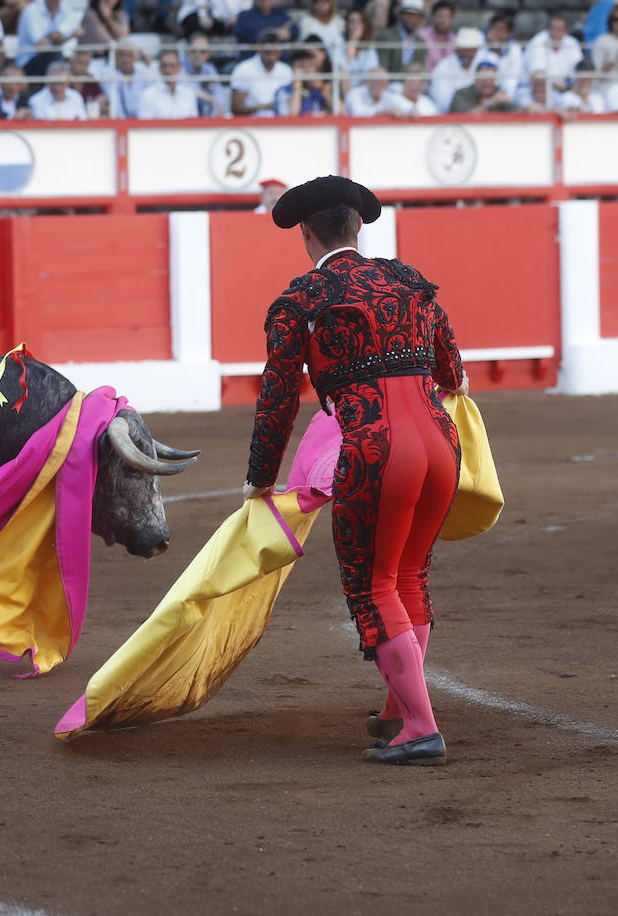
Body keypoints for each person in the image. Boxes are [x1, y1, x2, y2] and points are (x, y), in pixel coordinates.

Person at [246, 175, 468, 766]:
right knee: (410, 575)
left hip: (376, 451)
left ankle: (421, 727)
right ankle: (399, 708)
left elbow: (278, 396)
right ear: (359, 227)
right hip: (440, 448)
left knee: (375, 585)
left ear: (306, 235)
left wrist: (261, 474)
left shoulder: (300, 300)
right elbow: (454, 372)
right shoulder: (408, 282)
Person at [230, 29, 292, 116]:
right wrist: (265, 107)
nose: (271, 55)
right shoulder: (243, 69)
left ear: (281, 51)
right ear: (259, 48)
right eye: (268, 52)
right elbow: (236, 108)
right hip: (252, 124)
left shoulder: (286, 70)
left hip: (281, 123)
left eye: (275, 51)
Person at [14, 0, 82, 78]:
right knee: (55, 53)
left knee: (58, 55)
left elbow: (52, 41)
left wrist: (55, 38)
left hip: (49, 59)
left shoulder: (66, 8)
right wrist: (69, 35)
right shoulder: (31, 10)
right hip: (27, 62)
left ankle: (60, 82)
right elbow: (40, 45)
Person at [523, 15, 583, 95]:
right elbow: (538, 76)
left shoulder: (572, 43)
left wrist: (572, 89)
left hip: (566, 90)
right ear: (547, 29)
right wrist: (562, 89)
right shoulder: (538, 42)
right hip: (537, 91)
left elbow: (579, 69)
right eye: (554, 29)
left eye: (560, 30)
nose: (556, 33)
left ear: (566, 31)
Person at [98, 38, 156, 119]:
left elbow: (151, 100)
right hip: (119, 122)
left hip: (143, 121)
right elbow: (115, 103)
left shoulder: (143, 74)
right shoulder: (108, 73)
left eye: (129, 55)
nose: (125, 59)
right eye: (121, 55)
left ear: (135, 58)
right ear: (115, 57)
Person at [428, 25, 481, 113]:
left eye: (470, 50)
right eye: (463, 49)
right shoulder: (443, 66)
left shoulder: (481, 64)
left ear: (476, 50)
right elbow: (442, 101)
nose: (467, 53)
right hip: (450, 117)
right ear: (456, 49)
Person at [273, 46, 336, 116]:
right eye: (301, 66)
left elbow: (340, 111)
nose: (307, 71)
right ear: (292, 69)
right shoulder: (283, 91)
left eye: (310, 65)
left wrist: (323, 89)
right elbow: (292, 114)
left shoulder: (320, 91)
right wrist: (297, 84)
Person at [137, 49, 198, 118]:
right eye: (165, 66)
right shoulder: (148, 95)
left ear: (179, 68)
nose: (168, 70)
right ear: (159, 68)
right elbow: (144, 126)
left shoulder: (189, 94)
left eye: (172, 66)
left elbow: (193, 123)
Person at [373, 0, 425, 74]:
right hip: (391, 83)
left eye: (415, 16)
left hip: (413, 84)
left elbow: (421, 68)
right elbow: (383, 67)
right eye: (408, 14)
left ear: (420, 19)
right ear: (400, 15)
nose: (411, 19)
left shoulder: (420, 41)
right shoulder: (387, 37)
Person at [448, 60, 516, 113]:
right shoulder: (461, 94)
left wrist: (525, 110)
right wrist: (490, 102)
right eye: (484, 78)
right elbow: (465, 118)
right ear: (475, 78)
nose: (487, 82)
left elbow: (516, 110)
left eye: (491, 78)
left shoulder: (497, 92)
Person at [421, 0, 454, 72]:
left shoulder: (455, 39)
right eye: (440, 16)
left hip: (450, 80)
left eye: (446, 17)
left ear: (451, 19)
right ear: (432, 17)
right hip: (427, 80)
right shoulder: (422, 37)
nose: (443, 21)